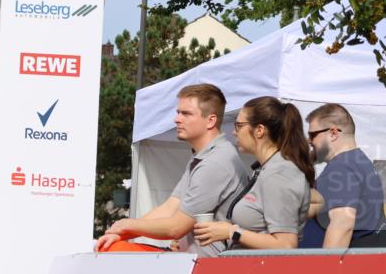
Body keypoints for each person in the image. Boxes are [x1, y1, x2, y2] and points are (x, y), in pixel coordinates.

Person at [96, 83, 250, 256]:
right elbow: (170, 207)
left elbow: (176, 228)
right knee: (112, 247)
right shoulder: (204, 156)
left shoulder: (215, 162)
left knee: (113, 250)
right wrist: (121, 233)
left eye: (186, 114)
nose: (177, 119)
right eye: (178, 112)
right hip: (190, 262)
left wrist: (126, 226)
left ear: (211, 121)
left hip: (209, 269)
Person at [193, 97, 314, 250]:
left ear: (259, 130)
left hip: (264, 271)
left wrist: (231, 232)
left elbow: (285, 244)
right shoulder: (267, 169)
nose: (234, 132)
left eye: (239, 126)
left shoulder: (280, 173)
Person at [302, 104, 386, 248]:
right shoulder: (358, 160)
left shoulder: (342, 168)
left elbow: (342, 225)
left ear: (333, 133)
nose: (309, 141)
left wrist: (326, 268)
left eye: (312, 135)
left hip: (338, 265)